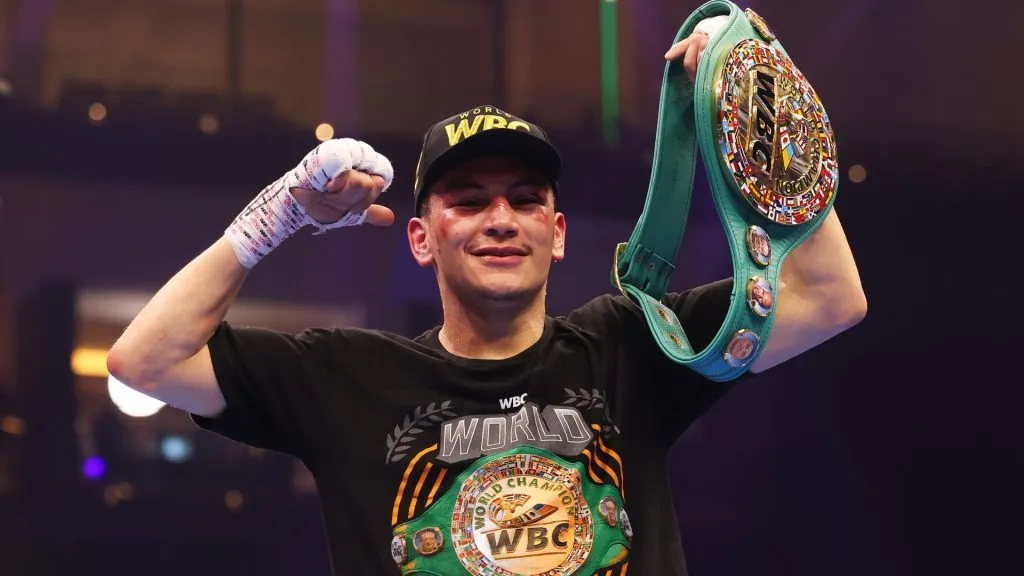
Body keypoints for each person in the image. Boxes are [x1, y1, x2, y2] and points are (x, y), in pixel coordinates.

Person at [107, 23, 866, 576]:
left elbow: (830, 300)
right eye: (467, 201)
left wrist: (761, 93)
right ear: (420, 238)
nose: (500, 219)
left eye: (525, 199)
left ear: (558, 232)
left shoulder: (634, 345)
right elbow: (145, 359)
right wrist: (280, 216)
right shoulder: (347, 379)